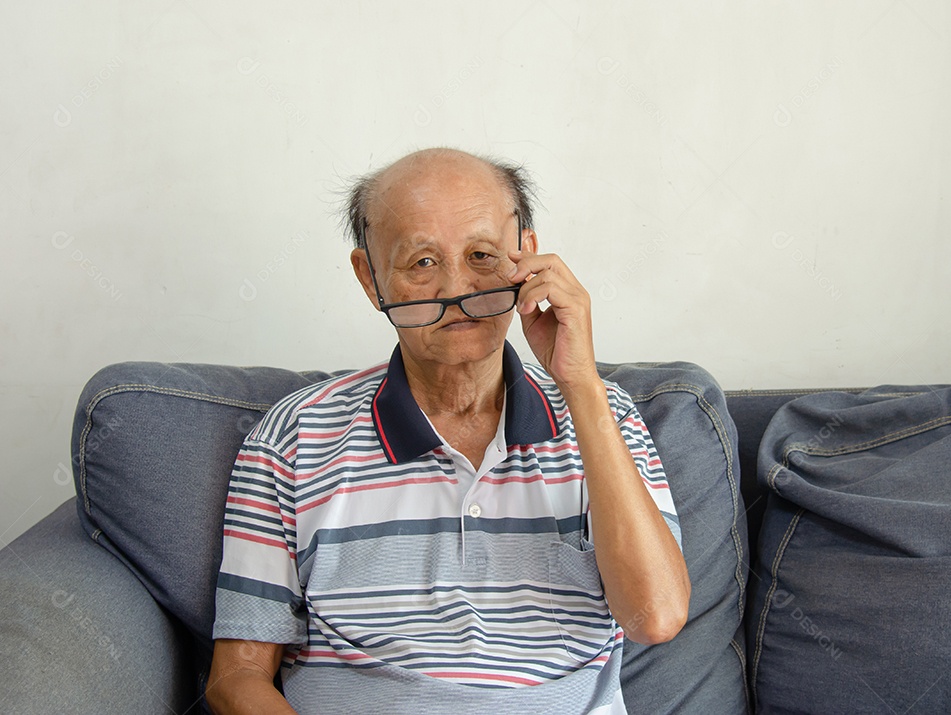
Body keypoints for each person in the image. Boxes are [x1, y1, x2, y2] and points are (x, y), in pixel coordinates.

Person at [205, 148, 690, 715]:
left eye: (481, 255)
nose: (456, 291)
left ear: (526, 255)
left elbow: (656, 617)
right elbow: (235, 678)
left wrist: (581, 386)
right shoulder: (291, 438)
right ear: (370, 278)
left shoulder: (608, 416)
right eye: (422, 262)